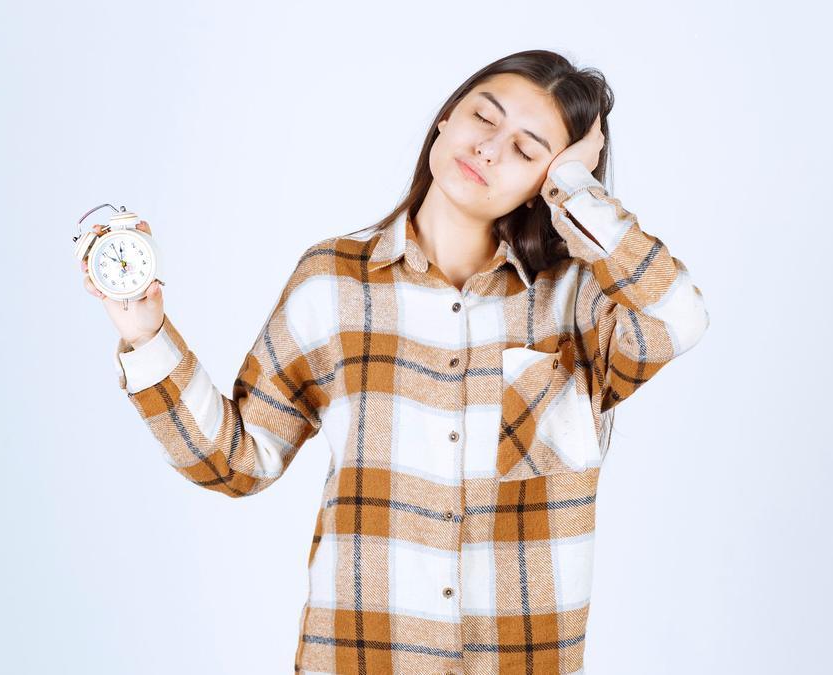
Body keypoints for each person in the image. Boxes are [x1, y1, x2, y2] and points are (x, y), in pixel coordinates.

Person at [81, 49, 709, 675]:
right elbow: (239, 461)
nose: (489, 150)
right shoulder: (332, 282)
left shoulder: (580, 301)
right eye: (483, 118)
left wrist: (577, 188)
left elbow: (680, 318)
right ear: (446, 119)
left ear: (544, 181)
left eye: (526, 150)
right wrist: (146, 334)